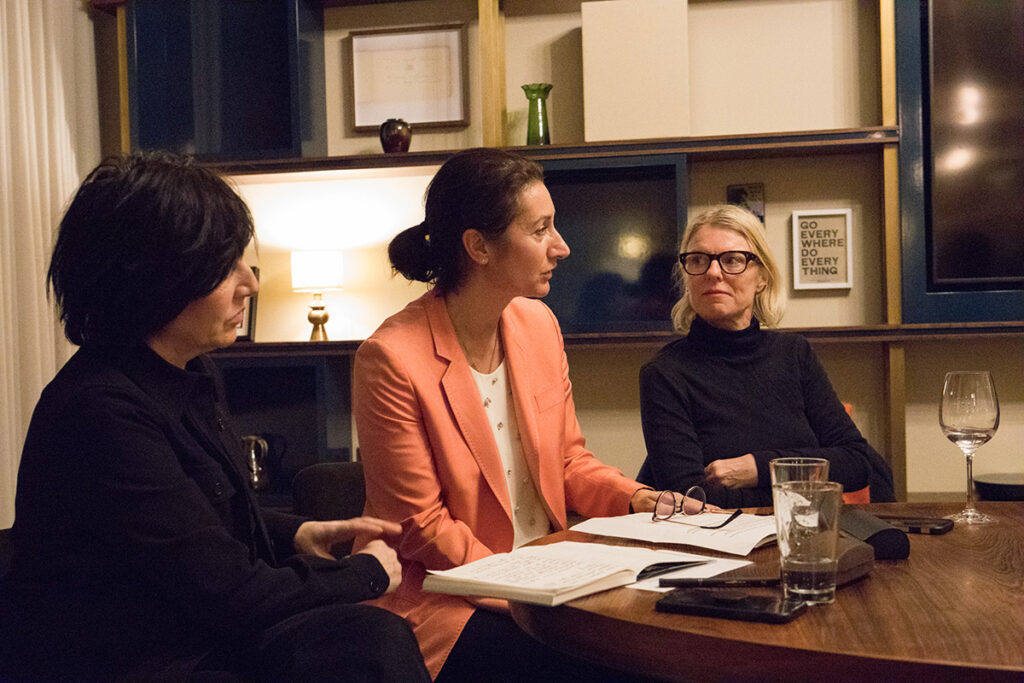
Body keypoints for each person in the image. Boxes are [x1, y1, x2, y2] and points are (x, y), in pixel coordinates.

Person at [0, 152, 430, 682]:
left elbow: (194, 523)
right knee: (368, 644)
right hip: (137, 661)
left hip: (193, 637)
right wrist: (364, 574)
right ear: (155, 277)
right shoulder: (101, 412)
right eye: (222, 266)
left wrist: (295, 536)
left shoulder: (187, 373)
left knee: (369, 640)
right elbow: (224, 590)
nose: (249, 283)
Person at [352, 148, 668, 682]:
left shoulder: (538, 324)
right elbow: (422, 530)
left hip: (546, 581)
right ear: (478, 246)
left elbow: (569, 463)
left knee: (660, 649)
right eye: (540, 229)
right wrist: (532, 587)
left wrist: (639, 498)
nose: (561, 247)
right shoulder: (390, 358)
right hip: (443, 600)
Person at [636, 204, 895, 507]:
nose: (713, 272)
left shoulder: (795, 354)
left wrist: (758, 468)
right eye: (698, 260)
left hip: (806, 537)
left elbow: (858, 463)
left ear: (762, 277)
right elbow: (692, 498)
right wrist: (803, 486)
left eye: (733, 260)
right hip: (719, 545)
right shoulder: (664, 372)